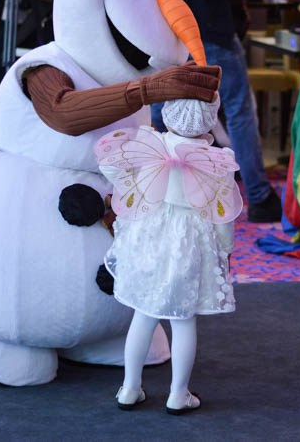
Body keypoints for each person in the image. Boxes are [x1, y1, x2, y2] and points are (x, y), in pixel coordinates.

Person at [95, 96, 240, 414]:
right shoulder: (217, 160)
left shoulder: (152, 143)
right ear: (210, 119)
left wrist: (130, 185)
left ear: (170, 113)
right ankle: (178, 393)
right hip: (189, 244)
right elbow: (224, 215)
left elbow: (109, 163)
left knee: (143, 315)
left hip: (150, 237)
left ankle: (129, 389)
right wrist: (225, 251)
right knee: (183, 320)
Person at [154, 0, 283, 223]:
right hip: (208, 28)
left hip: (165, 24)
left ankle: (153, 188)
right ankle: (258, 195)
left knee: (158, 107)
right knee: (239, 108)